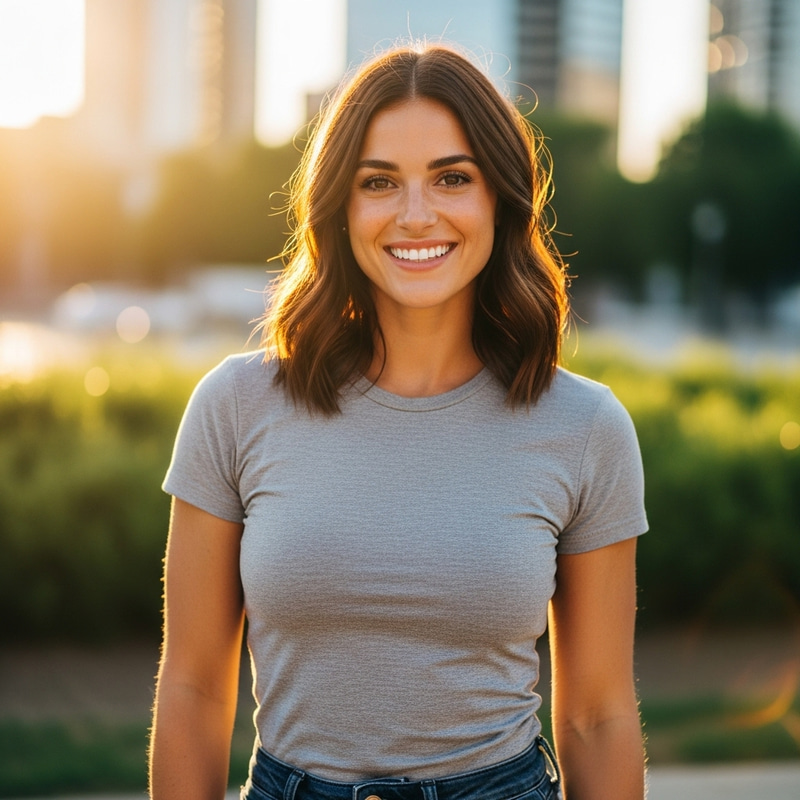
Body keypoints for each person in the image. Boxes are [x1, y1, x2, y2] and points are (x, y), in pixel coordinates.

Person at [149, 43, 648, 800]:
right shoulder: (235, 406)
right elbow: (191, 687)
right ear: (340, 207)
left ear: (500, 198)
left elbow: (598, 717)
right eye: (379, 182)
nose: (416, 215)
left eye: (453, 178)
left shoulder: (585, 427)